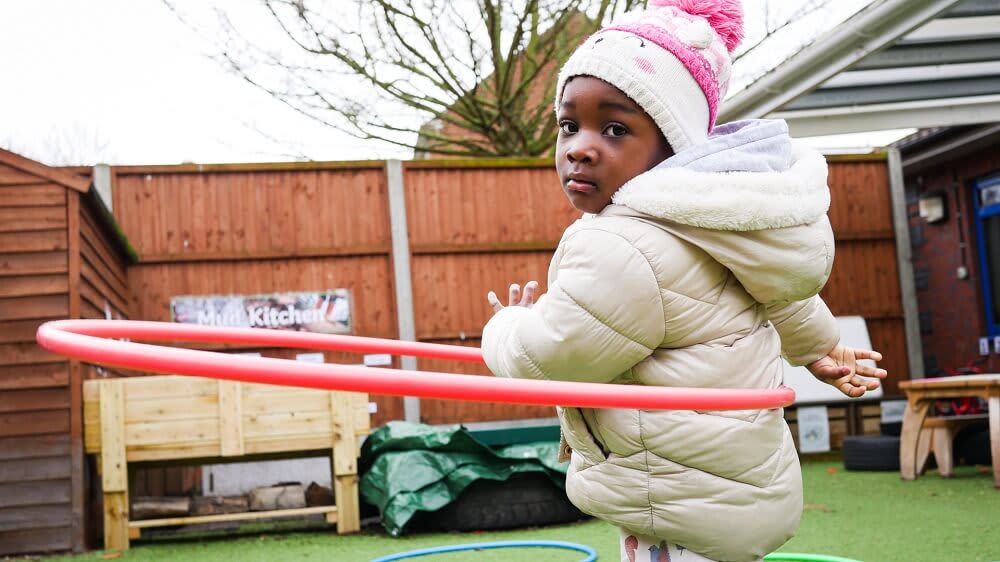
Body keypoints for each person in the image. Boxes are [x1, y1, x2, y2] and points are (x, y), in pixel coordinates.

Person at [479, 1, 887, 561]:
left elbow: (554, 355)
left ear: (672, 145)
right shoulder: (717, 221)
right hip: (728, 483)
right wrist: (819, 345)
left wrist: (505, 325)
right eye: (569, 125)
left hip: (671, 492)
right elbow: (773, 289)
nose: (580, 146)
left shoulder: (624, 243)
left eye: (615, 128)